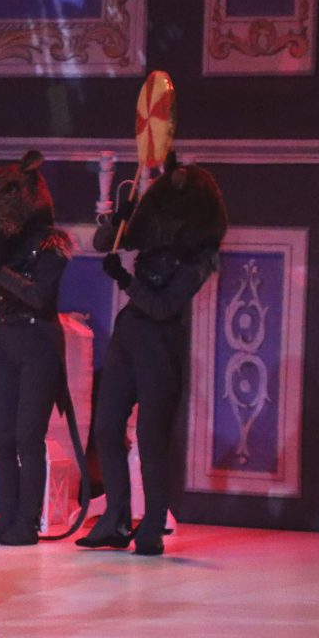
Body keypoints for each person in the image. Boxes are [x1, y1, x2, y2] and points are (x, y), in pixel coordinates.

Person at [78, 154, 226, 555]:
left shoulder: (199, 256)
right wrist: (119, 219)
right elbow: (103, 243)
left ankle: (153, 522)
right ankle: (116, 517)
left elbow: (164, 307)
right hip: (131, 333)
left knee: (150, 436)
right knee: (107, 427)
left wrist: (125, 280)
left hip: (160, 342)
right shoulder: (153, 228)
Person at [0, 151, 71, 547]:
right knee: (1, 436)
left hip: (38, 341)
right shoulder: (1, 245)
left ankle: (27, 522)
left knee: (28, 437)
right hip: (5, 338)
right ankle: (5, 516)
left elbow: (39, 296)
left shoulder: (51, 243)